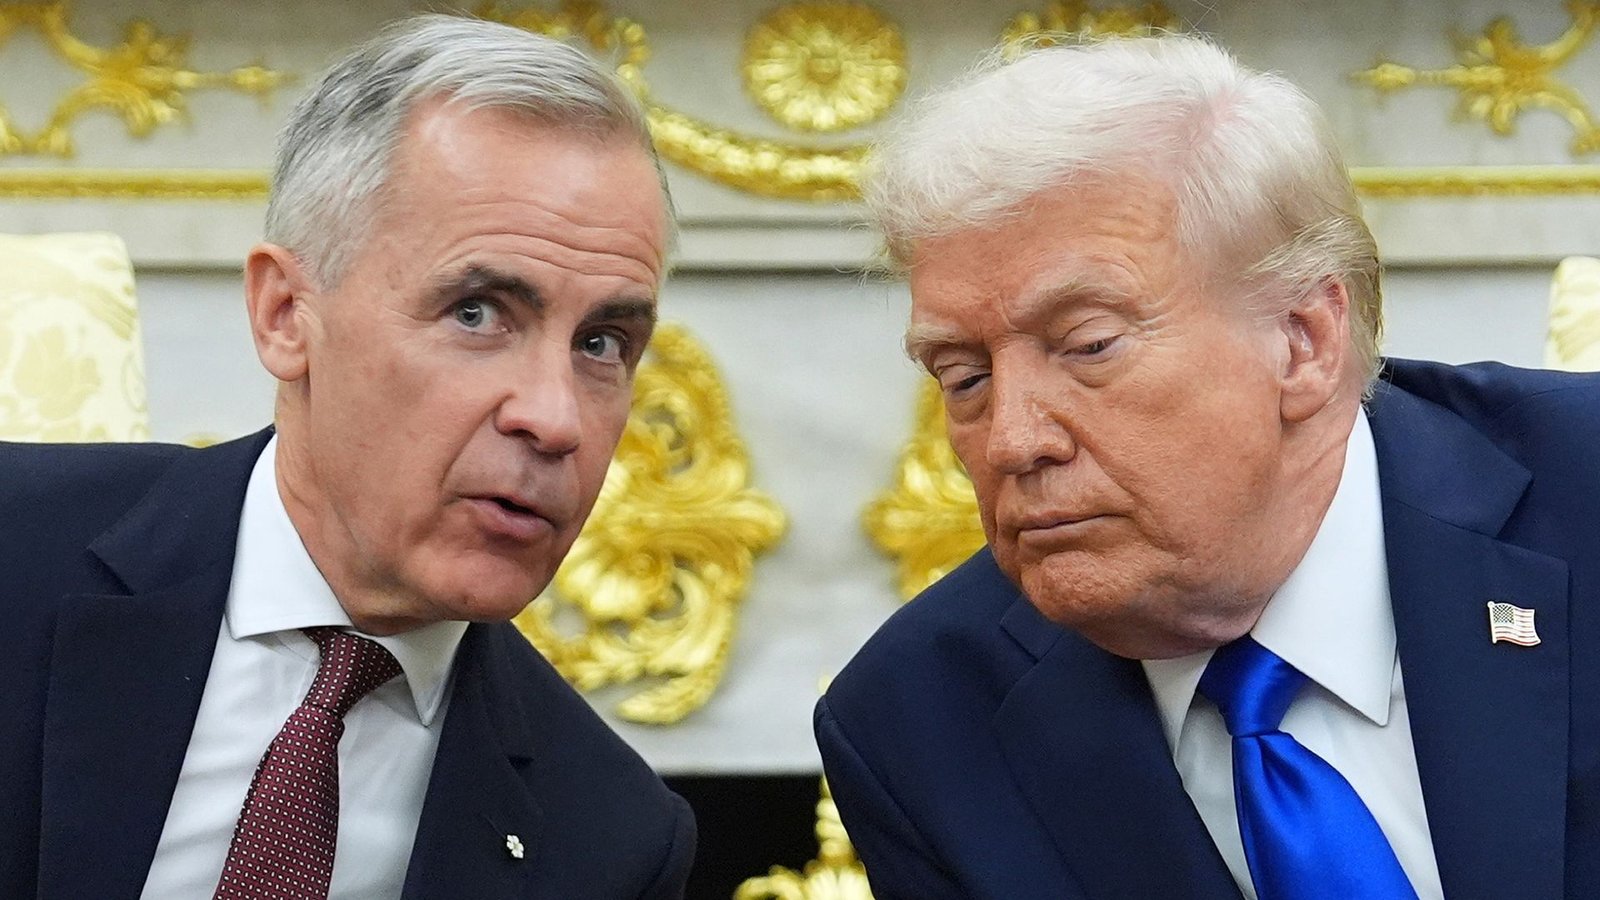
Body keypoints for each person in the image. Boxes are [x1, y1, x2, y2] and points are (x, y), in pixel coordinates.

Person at [816, 33, 1600, 900]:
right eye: (965, 377)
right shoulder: (921, 722)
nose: (1011, 441)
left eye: (1089, 345)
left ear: (1303, 341)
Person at [1, 15, 693, 899]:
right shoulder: (15, 551)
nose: (555, 420)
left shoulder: (612, 841)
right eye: (478, 313)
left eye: (602, 343)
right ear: (286, 315)